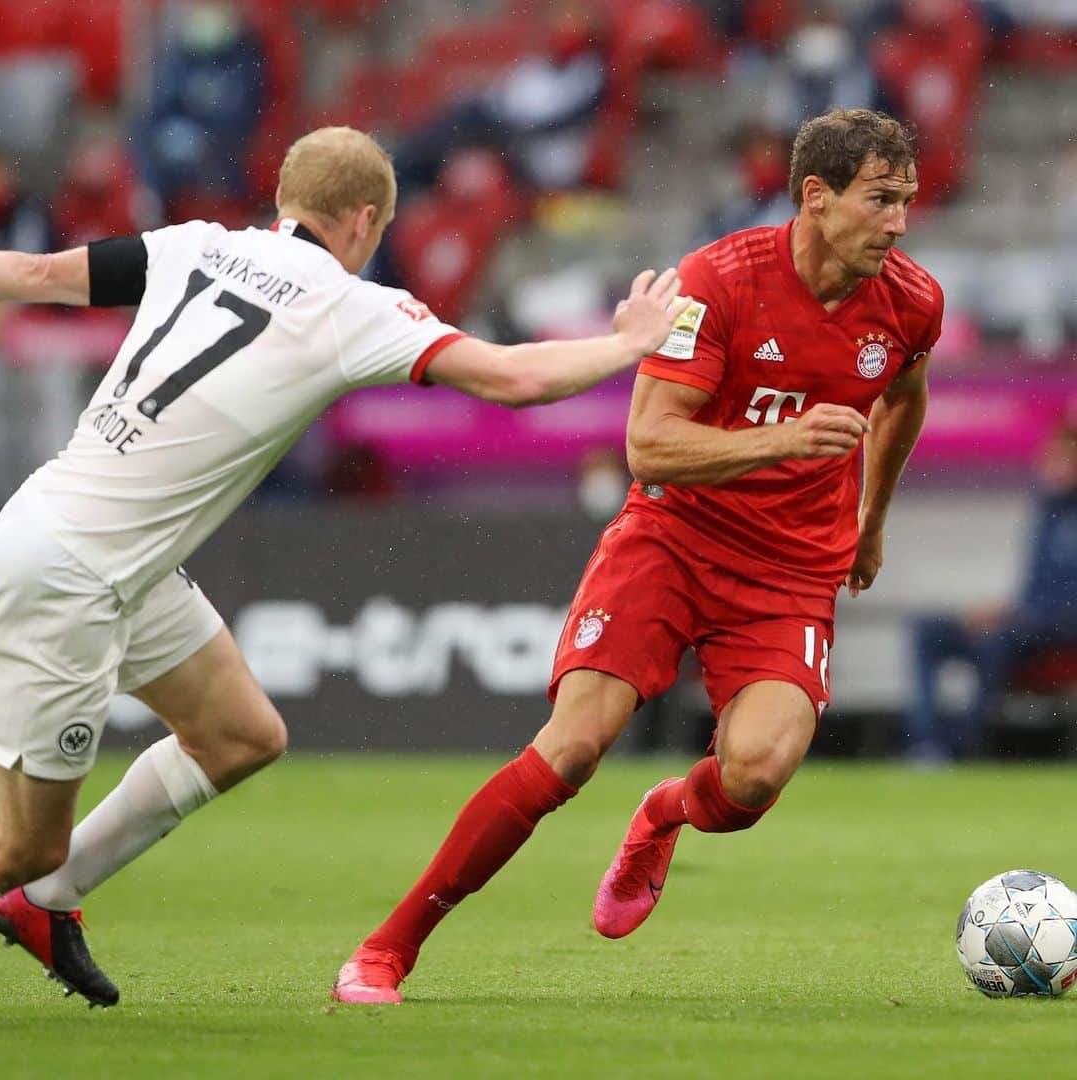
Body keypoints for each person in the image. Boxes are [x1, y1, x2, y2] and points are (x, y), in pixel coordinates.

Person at [0, 125, 686, 1008]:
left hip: (76, 532)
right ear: (365, 220)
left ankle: (46, 905)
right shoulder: (347, 305)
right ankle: (36, 884)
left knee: (241, 735)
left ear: (286, 195)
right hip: (76, 579)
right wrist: (627, 344)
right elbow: (514, 378)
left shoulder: (196, 241)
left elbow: (37, 275)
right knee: (21, 845)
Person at [334, 106, 943, 1005]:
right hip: (674, 538)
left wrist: (871, 517)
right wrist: (787, 443)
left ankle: (663, 812)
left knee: (756, 777)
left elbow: (905, 399)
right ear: (816, 197)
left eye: (908, 202)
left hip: (790, 571)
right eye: (880, 201)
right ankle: (389, 946)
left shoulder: (911, 299)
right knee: (573, 749)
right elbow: (650, 446)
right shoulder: (721, 281)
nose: (898, 223)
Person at [905, 415, 1077, 761]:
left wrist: (1019, 620)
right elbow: (1036, 588)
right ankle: (928, 746)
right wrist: (1005, 613)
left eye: (1059, 457)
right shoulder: (1049, 511)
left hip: (1060, 632)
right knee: (927, 632)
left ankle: (968, 749)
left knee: (992, 644)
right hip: (1026, 625)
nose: (1047, 465)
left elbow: (1064, 602)